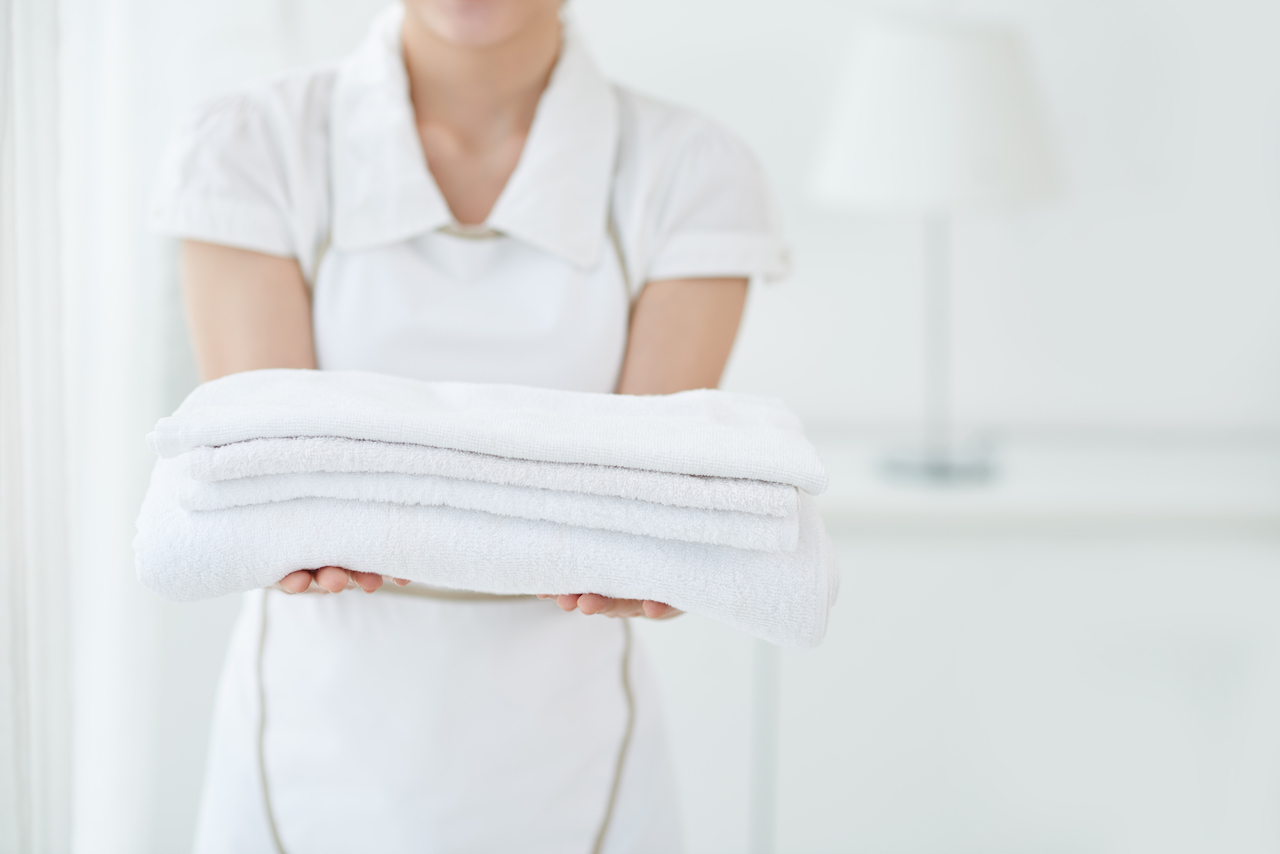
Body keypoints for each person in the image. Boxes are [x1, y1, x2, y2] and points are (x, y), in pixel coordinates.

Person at [150, 0, 787, 850]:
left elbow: (643, 513)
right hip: (309, 738)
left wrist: (661, 549)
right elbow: (266, 485)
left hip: (573, 748)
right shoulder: (250, 146)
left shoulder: (691, 172)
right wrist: (584, 529)